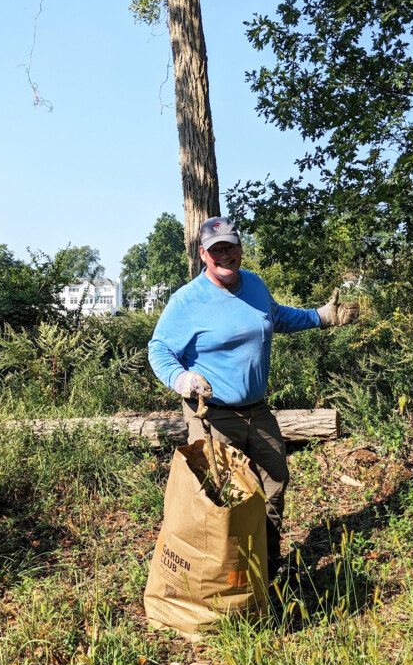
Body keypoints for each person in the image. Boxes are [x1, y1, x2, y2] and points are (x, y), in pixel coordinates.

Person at [147, 216, 359, 581]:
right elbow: (159, 348)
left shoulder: (255, 286)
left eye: (230, 247)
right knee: (221, 495)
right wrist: (180, 377)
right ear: (202, 254)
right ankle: (222, 575)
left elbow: (275, 317)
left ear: (240, 249)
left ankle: (266, 566)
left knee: (274, 481)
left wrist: (321, 317)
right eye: (216, 250)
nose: (224, 256)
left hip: (257, 410)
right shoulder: (187, 301)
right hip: (212, 416)